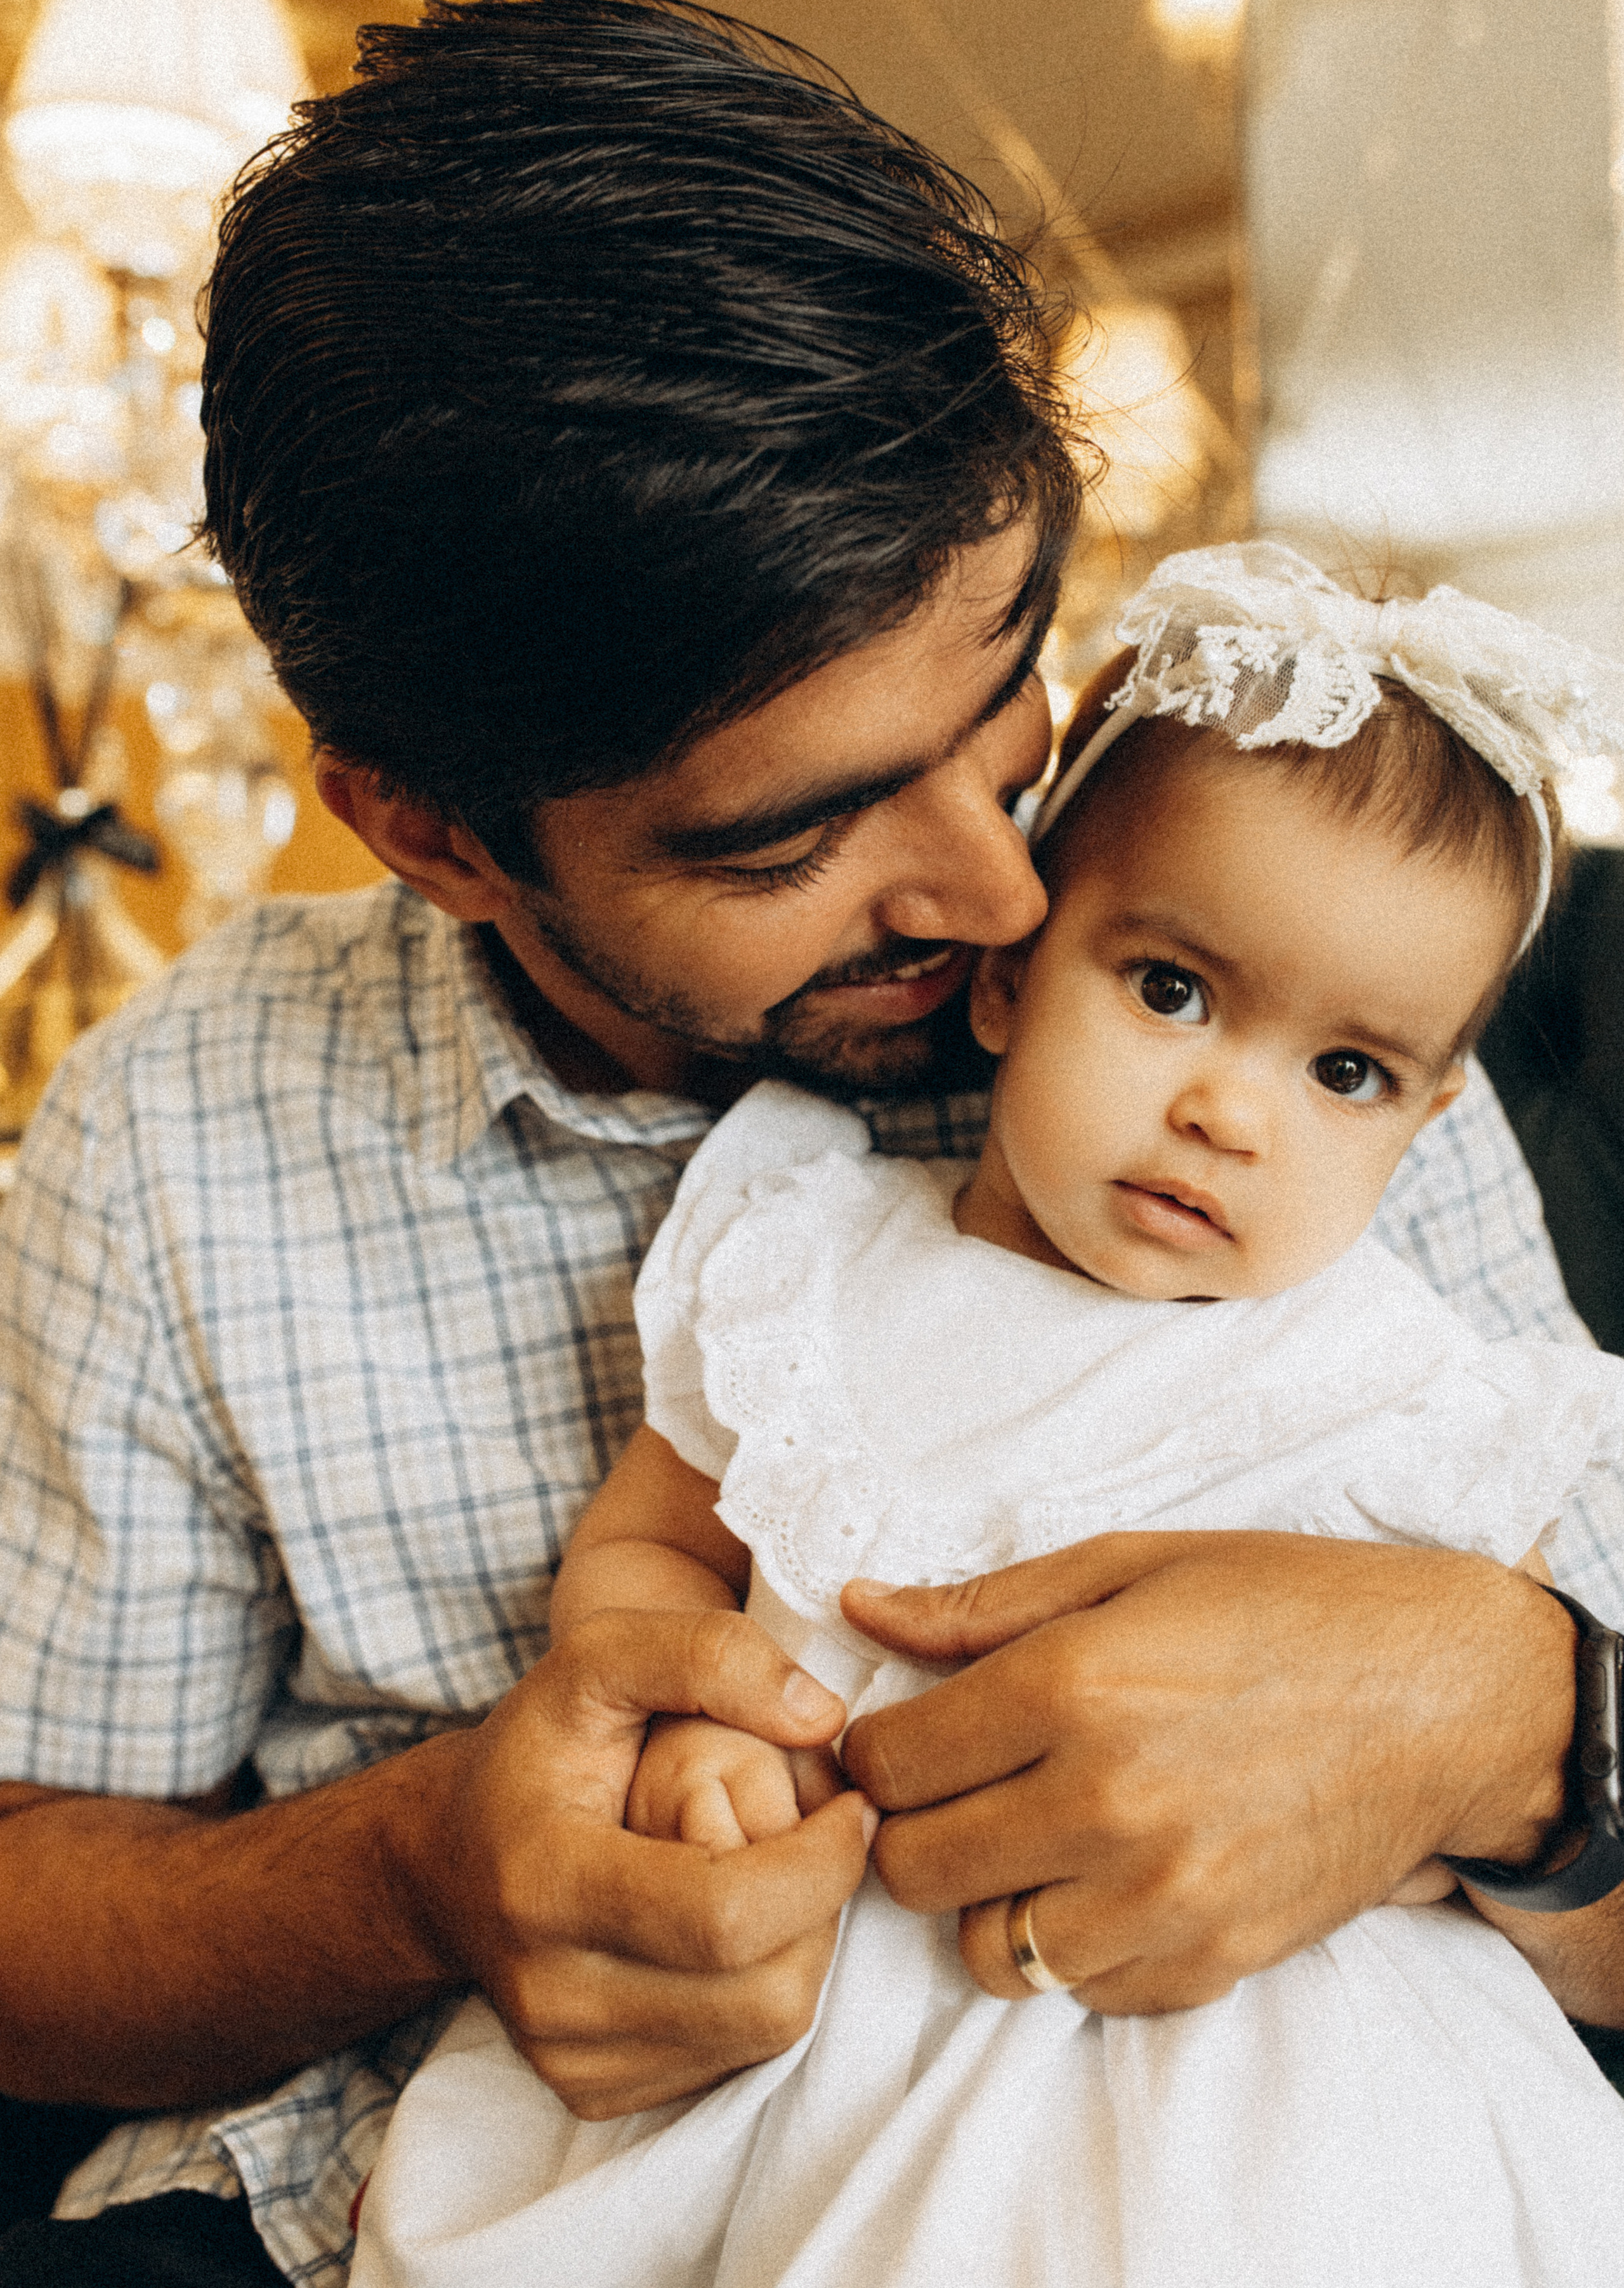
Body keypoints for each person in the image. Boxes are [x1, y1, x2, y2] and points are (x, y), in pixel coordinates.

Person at [0, 0, 1618, 2288]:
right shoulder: (177, 1138)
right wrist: (417, 1871)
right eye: (798, 835)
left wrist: (1518, 1731)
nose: (1001, 892)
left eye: (1007, 693)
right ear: (437, 834)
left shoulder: (1265, 996)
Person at [350, 542, 1624, 2287]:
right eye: (1170, 991)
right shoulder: (815, 1266)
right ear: (1011, 975)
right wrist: (693, 1724)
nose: (1231, 1113)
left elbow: (1508, 1700)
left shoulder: (1415, 1385)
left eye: (1347, 1073)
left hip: (1269, 2066)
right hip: (827, 2015)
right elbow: (653, 1546)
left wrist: (1441, 1803)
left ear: (1426, 1118)